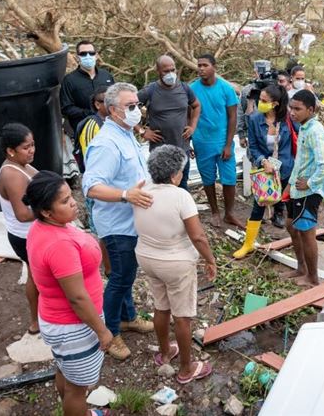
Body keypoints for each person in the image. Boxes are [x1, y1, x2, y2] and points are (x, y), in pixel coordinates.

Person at [24, 171, 112, 416]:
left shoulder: (41, 227)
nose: (73, 202)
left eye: (70, 196)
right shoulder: (59, 245)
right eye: (64, 201)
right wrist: (102, 331)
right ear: (46, 211)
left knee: (65, 371)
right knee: (77, 388)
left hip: (58, 320)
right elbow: (77, 297)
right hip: (73, 326)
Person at [82, 82, 155, 360]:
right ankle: (110, 332)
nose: (138, 110)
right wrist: (126, 195)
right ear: (113, 110)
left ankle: (128, 317)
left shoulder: (126, 134)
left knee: (127, 275)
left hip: (131, 221)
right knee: (120, 278)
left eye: (138, 105)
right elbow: (91, 187)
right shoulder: (106, 144)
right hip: (116, 225)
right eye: (131, 106)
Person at [133, 145, 217, 384]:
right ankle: (186, 369)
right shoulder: (181, 196)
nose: (182, 175)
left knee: (161, 307)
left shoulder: (141, 190)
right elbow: (198, 236)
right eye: (180, 171)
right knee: (182, 316)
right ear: (173, 175)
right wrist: (210, 259)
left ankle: (165, 352)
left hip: (147, 258)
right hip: (175, 263)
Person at [233, 85, 299, 259]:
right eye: (259, 99)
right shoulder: (255, 119)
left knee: (291, 205)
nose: (259, 103)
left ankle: (298, 241)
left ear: (275, 104)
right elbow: (253, 147)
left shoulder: (289, 119)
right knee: (259, 205)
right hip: (265, 171)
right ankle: (248, 244)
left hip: (286, 169)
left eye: (263, 101)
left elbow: (300, 138)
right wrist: (263, 161)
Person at [0, 123, 40, 335]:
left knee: (38, 275)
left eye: (33, 145)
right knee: (36, 277)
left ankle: (40, 319)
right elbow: (22, 214)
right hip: (25, 236)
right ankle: (35, 322)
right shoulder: (12, 174)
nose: (31, 150)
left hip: (30, 233)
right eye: (26, 147)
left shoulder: (21, 165)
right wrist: (51, 209)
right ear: (10, 151)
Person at [190, 54, 244, 229]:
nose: (201, 68)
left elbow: (233, 117)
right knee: (208, 178)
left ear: (214, 67)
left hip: (222, 141)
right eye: (199, 65)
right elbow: (187, 115)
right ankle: (215, 212)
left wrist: (228, 144)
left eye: (205, 65)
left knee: (229, 178)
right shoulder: (192, 89)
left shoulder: (226, 89)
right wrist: (188, 141)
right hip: (201, 142)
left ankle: (229, 213)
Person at [285, 90, 324, 287]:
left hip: (309, 191)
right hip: (297, 188)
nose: (292, 112)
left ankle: (312, 277)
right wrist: (289, 185)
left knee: (306, 232)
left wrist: (310, 183)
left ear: (311, 110)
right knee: (291, 225)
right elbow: (300, 161)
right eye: (291, 108)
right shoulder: (304, 127)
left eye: (297, 109)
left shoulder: (315, 131)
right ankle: (301, 267)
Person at [138, 55, 201, 190]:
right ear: (158, 71)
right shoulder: (150, 90)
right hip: (160, 152)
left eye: (173, 70)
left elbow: (196, 105)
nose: (170, 74)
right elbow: (127, 108)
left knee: (182, 186)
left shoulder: (184, 88)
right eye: (166, 71)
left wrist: (192, 126)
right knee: (162, 188)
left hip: (182, 149)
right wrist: (142, 131)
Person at [73, 87, 112, 277]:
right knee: (102, 228)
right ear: (97, 104)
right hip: (99, 185)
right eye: (107, 100)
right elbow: (92, 160)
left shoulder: (110, 123)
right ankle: (108, 268)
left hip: (110, 184)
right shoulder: (92, 126)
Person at [60, 40, 115, 134]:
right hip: (84, 130)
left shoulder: (106, 76)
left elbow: (115, 99)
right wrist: (89, 113)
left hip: (109, 128)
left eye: (91, 53)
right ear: (77, 57)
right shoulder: (69, 80)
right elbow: (66, 108)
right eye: (83, 54)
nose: (88, 56)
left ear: (96, 56)